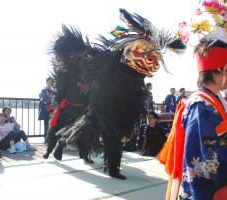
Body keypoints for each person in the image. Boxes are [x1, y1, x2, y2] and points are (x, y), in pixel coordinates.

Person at [46, 9, 186, 180]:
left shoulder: (135, 69)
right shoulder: (111, 61)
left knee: (106, 133)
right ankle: (68, 146)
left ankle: (108, 165)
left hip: (121, 103)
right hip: (103, 103)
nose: (150, 58)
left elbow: (141, 74)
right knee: (98, 132)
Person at [158, 28, 227, 199]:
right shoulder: (201, 105)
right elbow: (204, 157)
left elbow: (218, 135)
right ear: (225, 68)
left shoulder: (211, 101)